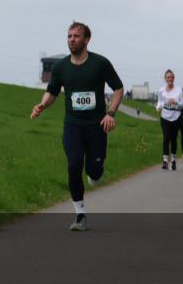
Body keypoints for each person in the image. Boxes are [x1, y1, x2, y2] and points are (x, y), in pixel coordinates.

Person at [31, 22, 124, 231]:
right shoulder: (60, 67)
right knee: (74, 166)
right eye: (69, 36)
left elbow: (118, 88)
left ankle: (95, 172)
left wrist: (110, 113)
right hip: (73, 125)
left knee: (94, 172)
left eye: (76, 36)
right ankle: (80, 214)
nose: (71, 40)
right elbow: (52, 91)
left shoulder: (100, 63)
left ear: (87, 39)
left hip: (97, 126)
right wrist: (42, 105)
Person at [156, 70, 183, 170]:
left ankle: (173, 160)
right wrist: (158, 107)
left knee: (173, 139)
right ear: (165, 79)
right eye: (168, 77)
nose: (170, 79)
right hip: (165, 117)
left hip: (176, 117)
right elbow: (160, 102)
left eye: (172, 77)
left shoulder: (179, 90)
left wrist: (176, 103)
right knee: (166, 138)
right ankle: (165, 161)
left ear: (174, 78)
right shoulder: (161, 90)